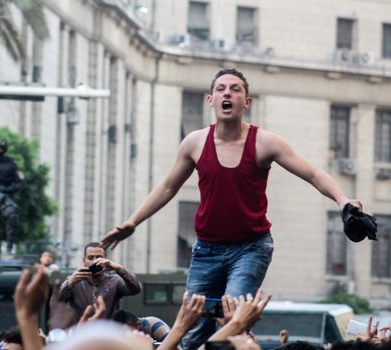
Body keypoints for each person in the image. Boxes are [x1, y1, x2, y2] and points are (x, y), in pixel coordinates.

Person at [101, 68, 363, 349]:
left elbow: (312, 174)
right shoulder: (195, 143)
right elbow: (167, 187)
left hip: (250, 249)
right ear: (210, 100)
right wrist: (132, 222)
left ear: (247, 102)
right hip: (206, 251)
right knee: (192, 333)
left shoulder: (265, 142)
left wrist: (342, 200)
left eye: (235, 89)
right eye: (221, 89)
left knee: (232, 321)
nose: (228, 93)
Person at [58, 242, 142, 319]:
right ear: (84, 261)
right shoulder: (74, 281)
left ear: (106, 260)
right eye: (90, 258)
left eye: (99, 257)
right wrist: (69, 283)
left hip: (108, 332)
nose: (95, 261)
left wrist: (119, 268)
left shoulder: (115, 280)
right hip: (81, 332)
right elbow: (57, 303)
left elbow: (136, 288)